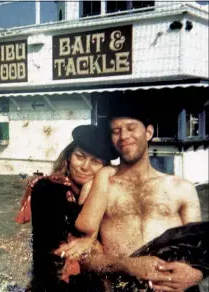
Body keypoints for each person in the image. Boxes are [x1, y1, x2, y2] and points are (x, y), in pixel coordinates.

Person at [54, 97, 207, 292]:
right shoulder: (98, 187)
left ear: (149, 132)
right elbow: (85, 257)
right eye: (116, 131)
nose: (123, 136)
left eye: (131, 128)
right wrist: (130, 265)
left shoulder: (182, 189)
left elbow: (199, 249)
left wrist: (195, 275)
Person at [15, 124, 119, 292]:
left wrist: (96, 183)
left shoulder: (106, 194)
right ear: (69, 156)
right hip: (50, 285)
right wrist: (90, 189)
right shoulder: (46, 187)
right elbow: (71, 228)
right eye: (80, 156)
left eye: (96, 162)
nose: (85, 166)